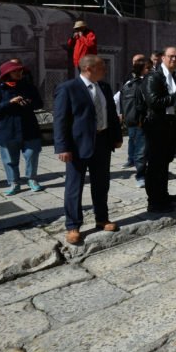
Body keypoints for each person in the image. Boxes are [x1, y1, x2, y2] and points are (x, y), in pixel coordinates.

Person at [54, 55, 122, 245]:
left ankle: (102, 218)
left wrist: (116, 137)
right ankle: (73, 225)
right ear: (89, 68)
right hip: (77, 146)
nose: (105, 70)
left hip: (102, 142)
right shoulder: (68, 88)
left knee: (101, 183)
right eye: (102, 67)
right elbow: (60, 119)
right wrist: (63, 147)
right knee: (74, 186)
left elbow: (111, 115)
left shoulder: (105, 87)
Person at [0, 60, 44, 195]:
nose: (19, 73)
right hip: (8, 129)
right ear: (7, 73)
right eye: (15, 71)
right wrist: (9, 103)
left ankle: (32, 179)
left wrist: (29, 103)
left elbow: (39, 104)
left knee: (32, 155)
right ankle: (14, 183)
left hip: (29, 128)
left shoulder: (29, 87)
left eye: (20, 70)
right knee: (10, 159)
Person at [143, 46, 176, 213]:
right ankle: (154, 201)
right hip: (157, 126)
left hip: (170, 124)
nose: (173, 59)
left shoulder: (173, 76)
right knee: (155, 164)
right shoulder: (154, 77)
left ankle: (163, 195)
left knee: (164, 162)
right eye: (170, 56)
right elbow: (154, 102)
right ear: (162, 58)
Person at [117, 54, 150, 187]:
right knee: (141, 151)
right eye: (148, 68)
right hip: (142, 122)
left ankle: (143, 173)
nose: (150, 70)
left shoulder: (128, 84)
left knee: (140, 149)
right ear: (142, 70)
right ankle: (140, 176)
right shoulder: (142, 84)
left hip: (135, 121)